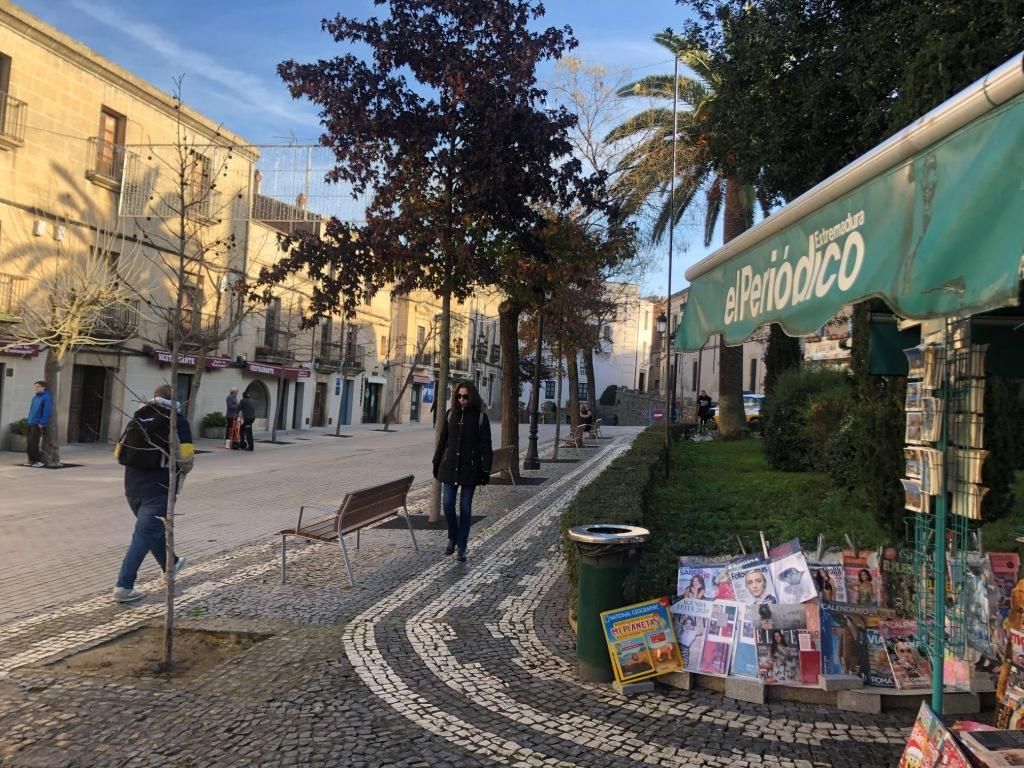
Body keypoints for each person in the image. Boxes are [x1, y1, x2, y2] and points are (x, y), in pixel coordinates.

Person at [112, 384, 194, 603]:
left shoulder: (138, 417)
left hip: (132, 488)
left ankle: (172, 564)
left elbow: (118, 452)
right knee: (143, 536)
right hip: (160, 488)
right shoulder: (177, 421)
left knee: (152, 530)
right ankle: (124, 586)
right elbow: (186, 458)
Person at [432, 381, 492, 562]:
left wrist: (485, 470)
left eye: (465, 396)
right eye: (458, 396)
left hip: (470, 470)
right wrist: (436, 462)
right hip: (449, 468)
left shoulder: (481, 417)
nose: (461, 400)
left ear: (472, 396)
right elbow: (443, 441)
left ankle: (462, 547)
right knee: (448, 504)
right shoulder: (450, 414)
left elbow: (486, 446)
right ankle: (453, 536)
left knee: (465, 508)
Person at [25, 380, 53, 468]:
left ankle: (37, 461)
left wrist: (42, 422)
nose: (36, 388)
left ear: (43, 387)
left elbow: (46, 411)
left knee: (34, 443)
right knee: (29, 442)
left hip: (37, 424)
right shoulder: (35, 398)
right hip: (31, 422)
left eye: (38, 386)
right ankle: (31, 460)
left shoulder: (46, 397)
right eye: (35, 387)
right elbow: (31, 410)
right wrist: (28, 420)